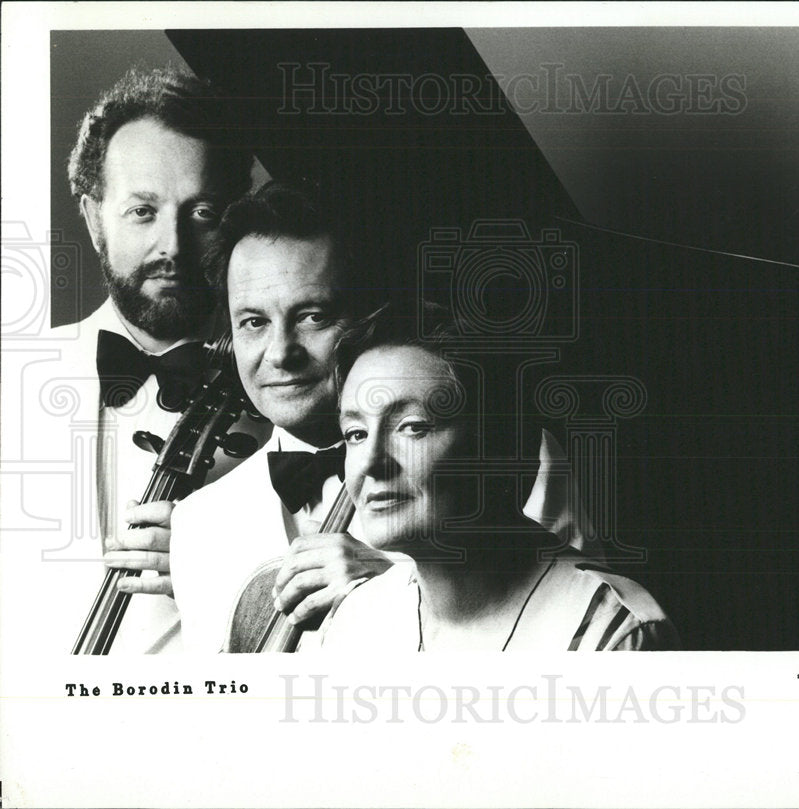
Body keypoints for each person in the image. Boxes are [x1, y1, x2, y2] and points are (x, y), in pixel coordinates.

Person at [169, 181, 588, 653]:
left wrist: (401, 582)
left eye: (313, 316)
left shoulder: (506, 457)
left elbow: (571, 622)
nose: (281, 353)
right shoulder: (196, 526)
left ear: (370, 315)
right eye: (254, 322)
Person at [38, 66, 269, 653]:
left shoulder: (302, 389)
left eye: (202, 212)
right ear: (94, 219)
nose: (173, 246)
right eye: (143, 211)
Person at [319, 301, 680, 651]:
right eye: (356, 433)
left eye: (412, 427)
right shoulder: (354, 621)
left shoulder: (611, 632)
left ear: (500, 446)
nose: (370, 462)